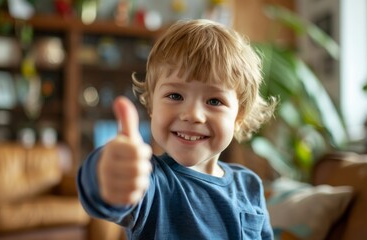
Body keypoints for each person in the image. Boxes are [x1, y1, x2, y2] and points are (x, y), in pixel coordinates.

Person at [77, 18, 276, 239]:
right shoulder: (150, 180)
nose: (192, 115)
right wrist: (105, 174)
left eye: (214, 101)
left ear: (239, 116)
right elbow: (107, 197)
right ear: (152, 106)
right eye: (175, 96)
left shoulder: (251, 186)